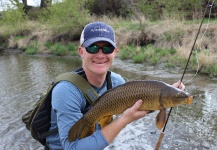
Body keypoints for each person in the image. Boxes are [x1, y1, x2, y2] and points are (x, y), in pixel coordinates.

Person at [45, 22, 185, 150]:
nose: (100, 55)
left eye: (107, 48)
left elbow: (141, 104)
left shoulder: (117, 82)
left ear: (115, 52)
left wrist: (168, 94)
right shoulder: (65, 91)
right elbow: (72, 148)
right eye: (93, 48)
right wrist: (124, 120)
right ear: (81, 52)